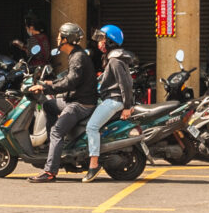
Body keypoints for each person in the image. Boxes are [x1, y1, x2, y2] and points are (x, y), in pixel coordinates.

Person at [25, 22, 95, 184]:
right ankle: (54, 148)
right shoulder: (75, 55)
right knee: (49, 106)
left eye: (59, 36)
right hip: (75, 99)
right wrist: (48, 83)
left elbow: (70, 82)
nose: (57, 38)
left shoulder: (78, 57)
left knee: (57, 131)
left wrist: (46, 89)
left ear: (66, 39)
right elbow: (68, 79)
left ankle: (50, 171)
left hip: (81, 104)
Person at [81, 25, 134, 184]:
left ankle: (94, 165)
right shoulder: (113, 58)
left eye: (102, 39)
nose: (99, 43)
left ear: (110, 41)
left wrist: (127, 106)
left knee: (91, 127)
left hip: (114, 100)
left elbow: (125, 84)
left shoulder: (115, 60)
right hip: (111, 98)